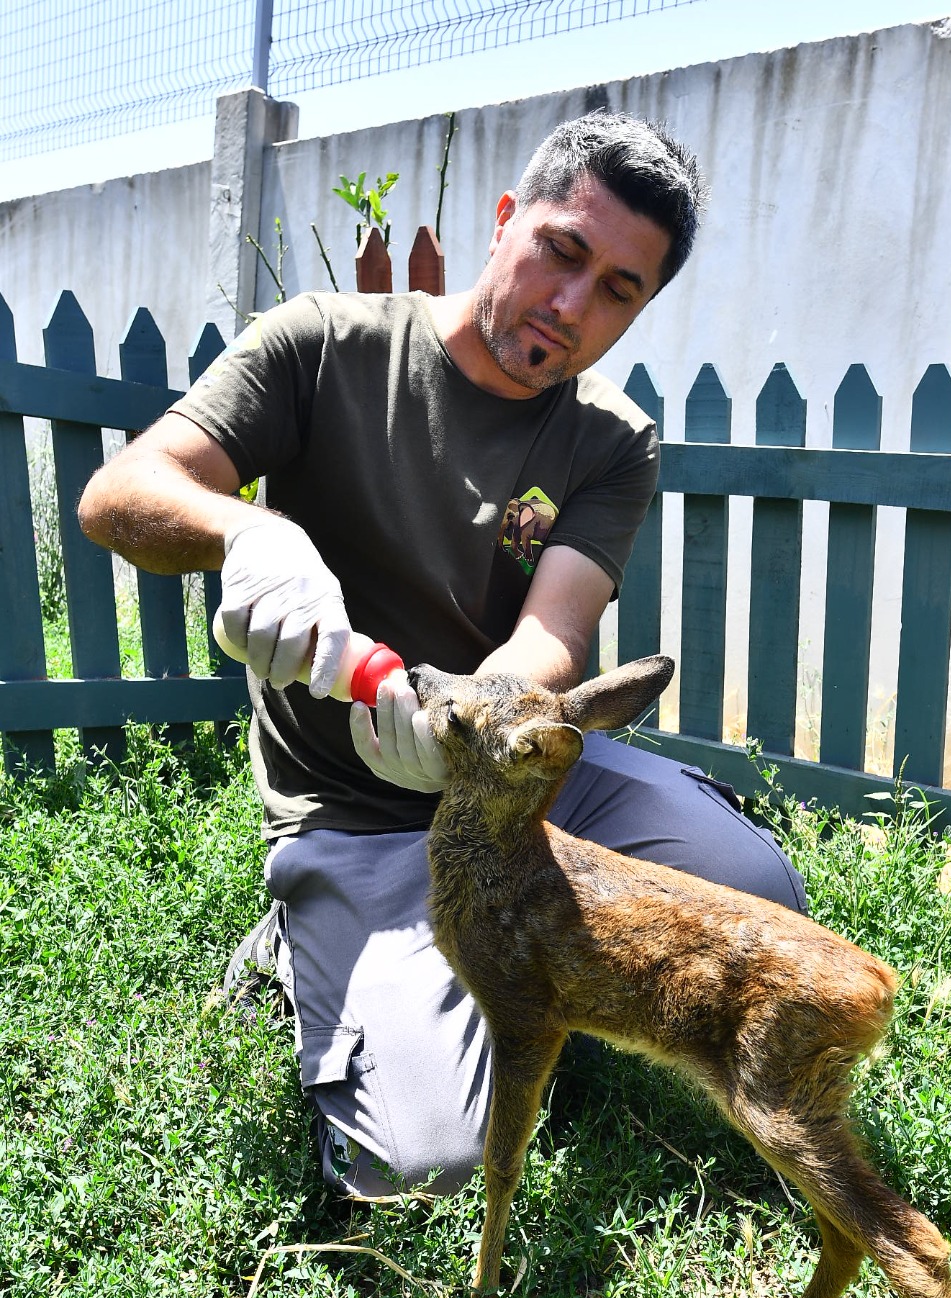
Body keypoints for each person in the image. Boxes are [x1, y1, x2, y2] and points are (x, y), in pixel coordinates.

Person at [79, 110, 806, 1200]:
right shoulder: (324, 342)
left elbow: (555, 631)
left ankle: (504, 962)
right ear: (506, 219)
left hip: (505, 770)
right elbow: (118, 496)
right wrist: (252, 532)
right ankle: (302, 937)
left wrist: (476, 708)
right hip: (354, 801)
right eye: (561, 251)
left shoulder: (608, 439)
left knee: (761, 893)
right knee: (417, 1165)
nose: (570, 307)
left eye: (617, 289)